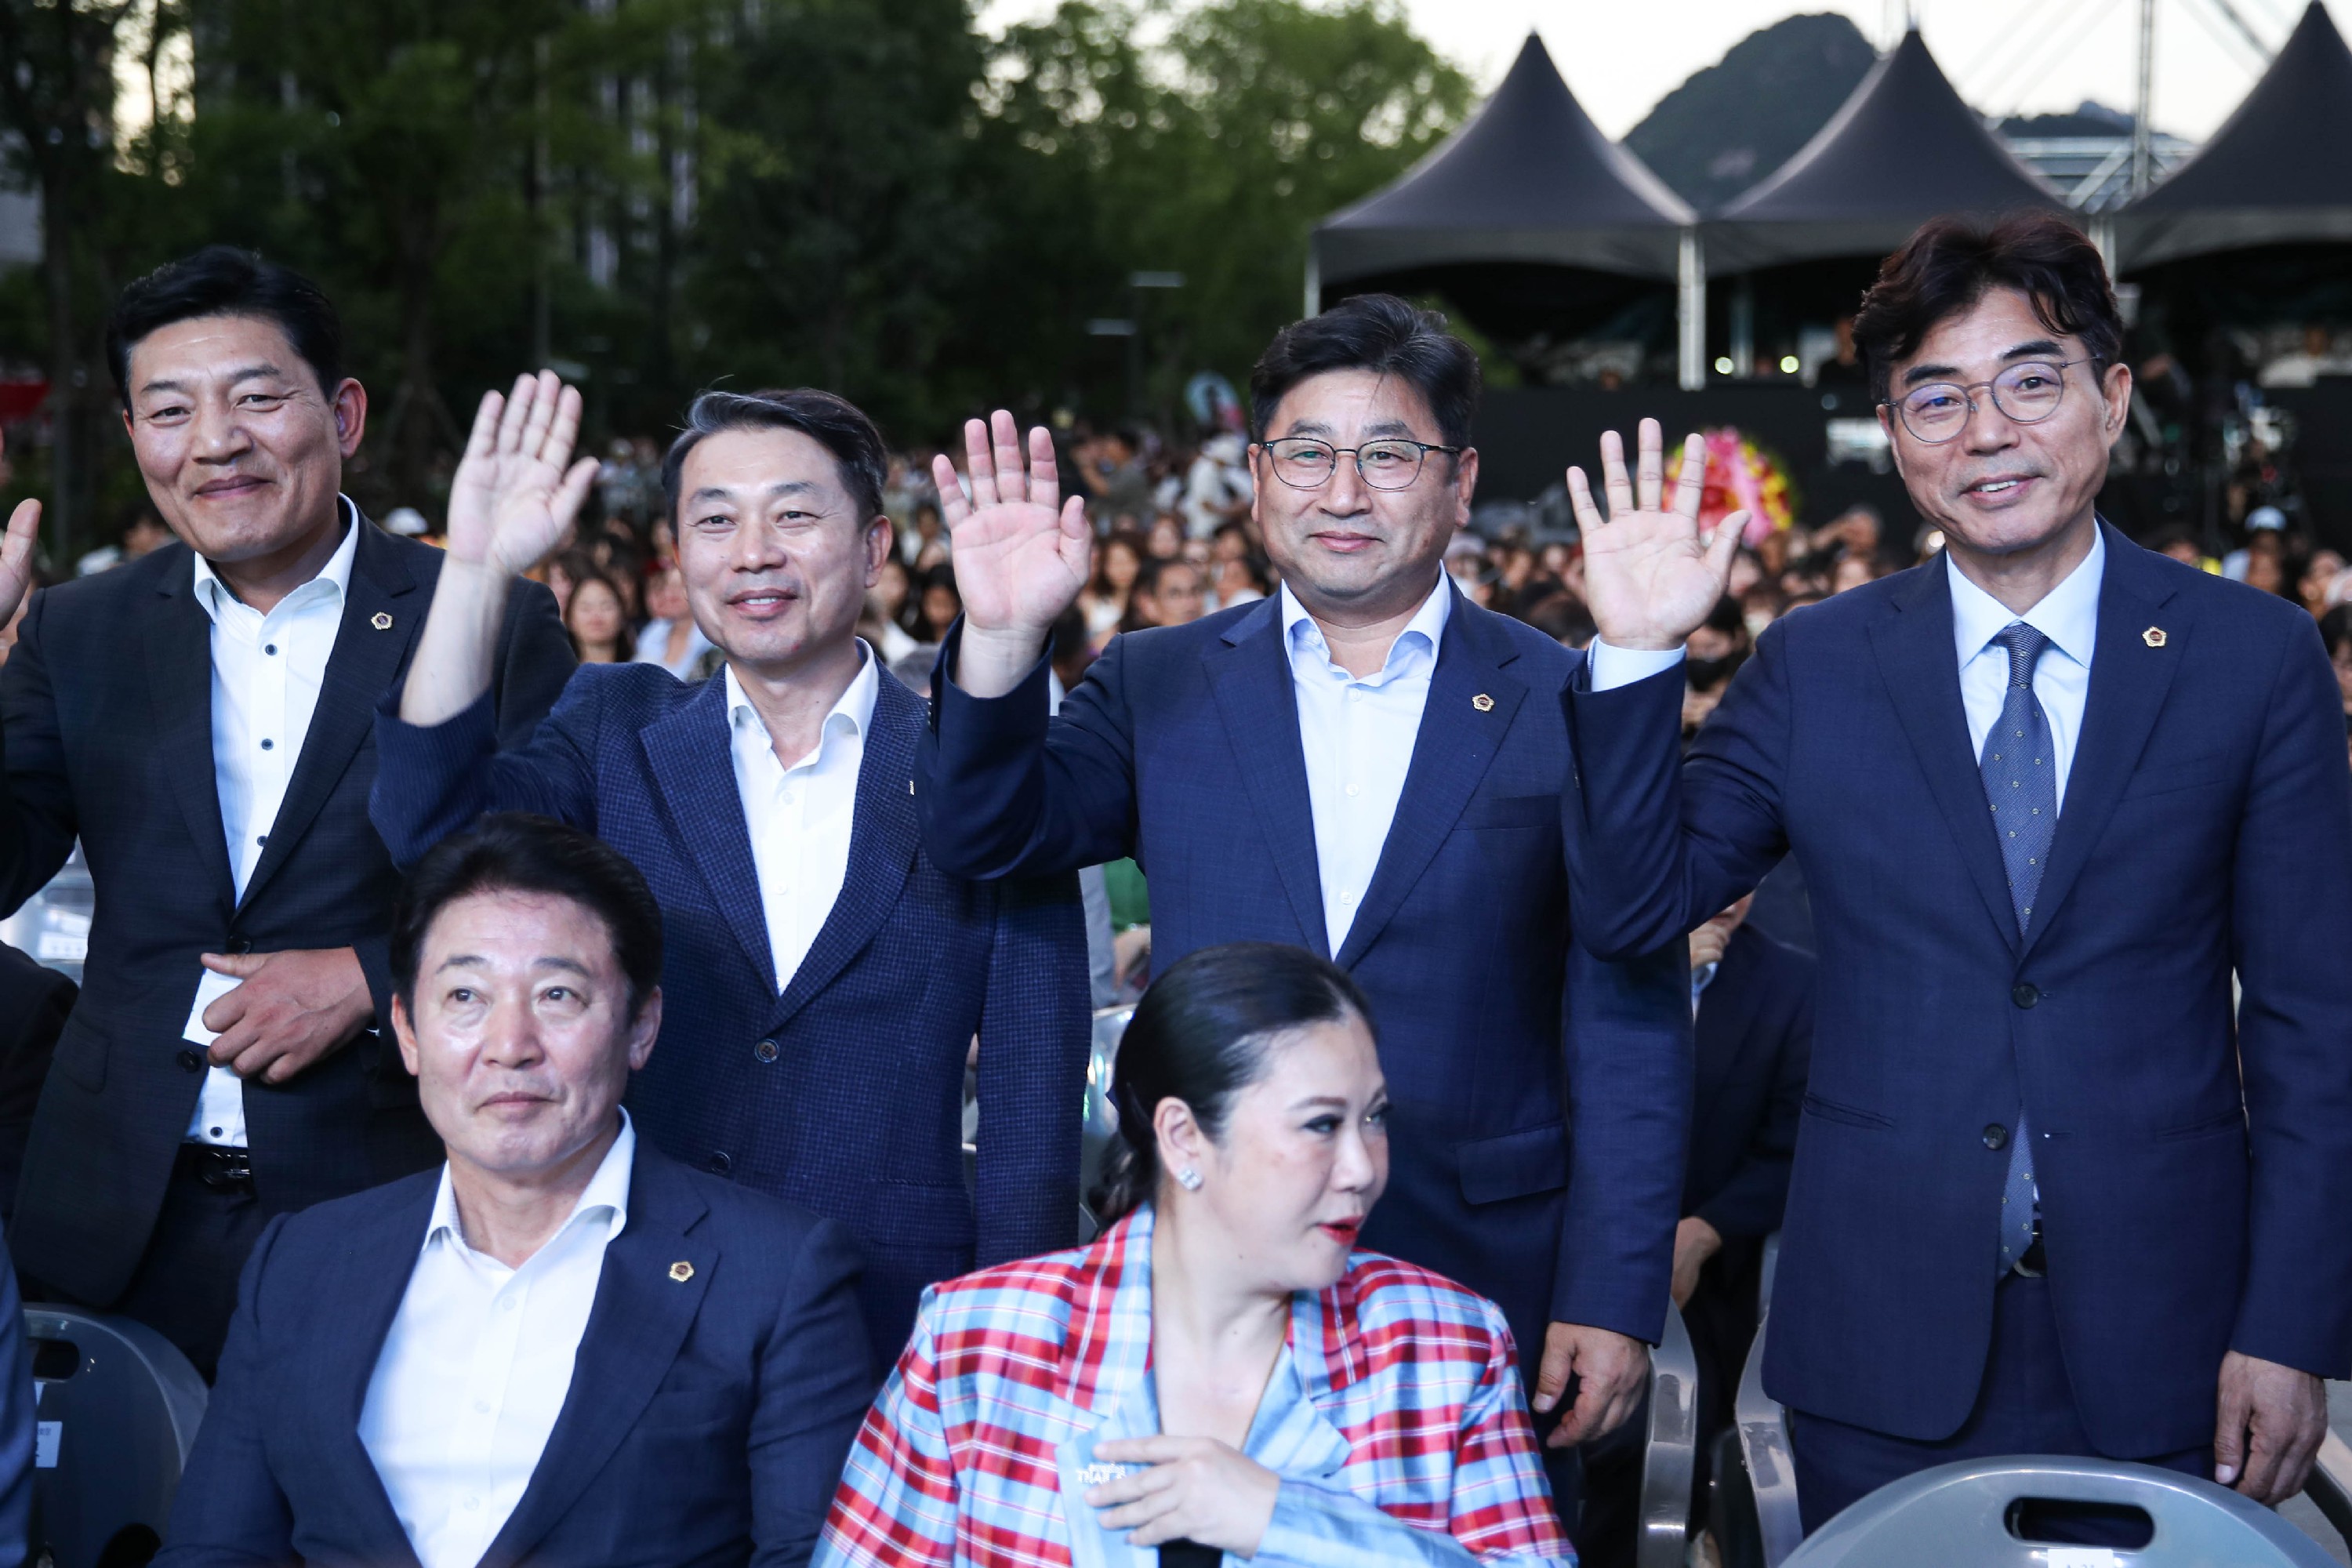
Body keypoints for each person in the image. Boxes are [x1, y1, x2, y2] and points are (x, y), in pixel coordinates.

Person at [1559, 212, 2352, 1530]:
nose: (1986, 431)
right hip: (1880, 1339)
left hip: (2179, 1336)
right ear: (1897, 437)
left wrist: (2291, 1324)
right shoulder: (1820, 663)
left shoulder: (2253, 659)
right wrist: (1643, 658)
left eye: (2029, 381)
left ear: (2110, 397)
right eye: (1936, 397)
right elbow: (1633, 905)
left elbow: (2315, 1024)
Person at [913, 293, 1691, 1519]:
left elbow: (1632, 1008)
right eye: (1307, 453)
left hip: (1487, 1266)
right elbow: (987, 833)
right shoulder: (1159, 681)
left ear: (1459, 480)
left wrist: (1613, 1289)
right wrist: (1005, 641)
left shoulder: (1561, 697)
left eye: (1389, 455)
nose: (1344, 493)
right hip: (1212, 1278)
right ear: (1259, 474)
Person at [370, 379, 1091, 1359]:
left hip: (891, 1318)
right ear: (681, 555)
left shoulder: (983, 781)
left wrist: (1014, 1351)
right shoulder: (616, 729)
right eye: (716, 520)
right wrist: (478, 573)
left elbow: (1030, 1106)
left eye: (795, 515)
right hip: (629, 1296)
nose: (754, 552)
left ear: (875, 548)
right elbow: (430, 827)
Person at [0, 247, 573, 1377]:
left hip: (386, 1195)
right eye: (170, 410)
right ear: (134, 437)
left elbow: (554, 889)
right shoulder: (79, 631)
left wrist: (374, 977)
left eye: (257, 397)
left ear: (343, 413)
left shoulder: (485, 614)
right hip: (118, 1216)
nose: (216, 440)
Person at [159, 814, 870, 1568]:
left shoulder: (777, 1273)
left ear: (641, 1026)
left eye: (558, 995)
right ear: (406, 1030)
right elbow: (215, 1549)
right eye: (465, 997)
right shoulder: (303, 1261)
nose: (509, 1046)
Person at [819, 942, 1571, 1568]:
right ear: (1183, 1137)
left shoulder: (1445, 1345)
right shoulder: (979, 1342)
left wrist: (1287, 1518)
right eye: (1320, 1125)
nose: (1363, 1168)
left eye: (1374, 1119)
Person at [636, 561, 719, 678]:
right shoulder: (654, 630)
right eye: (665, 586)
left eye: (679, 585)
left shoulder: (713, 634)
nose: (671, 593)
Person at [563, 567, 634, 664]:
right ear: (570, 619)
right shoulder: (561, 676)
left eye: (606, 606)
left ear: (622, 616)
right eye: (586, 608)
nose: (596, 615)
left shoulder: (643, 669)